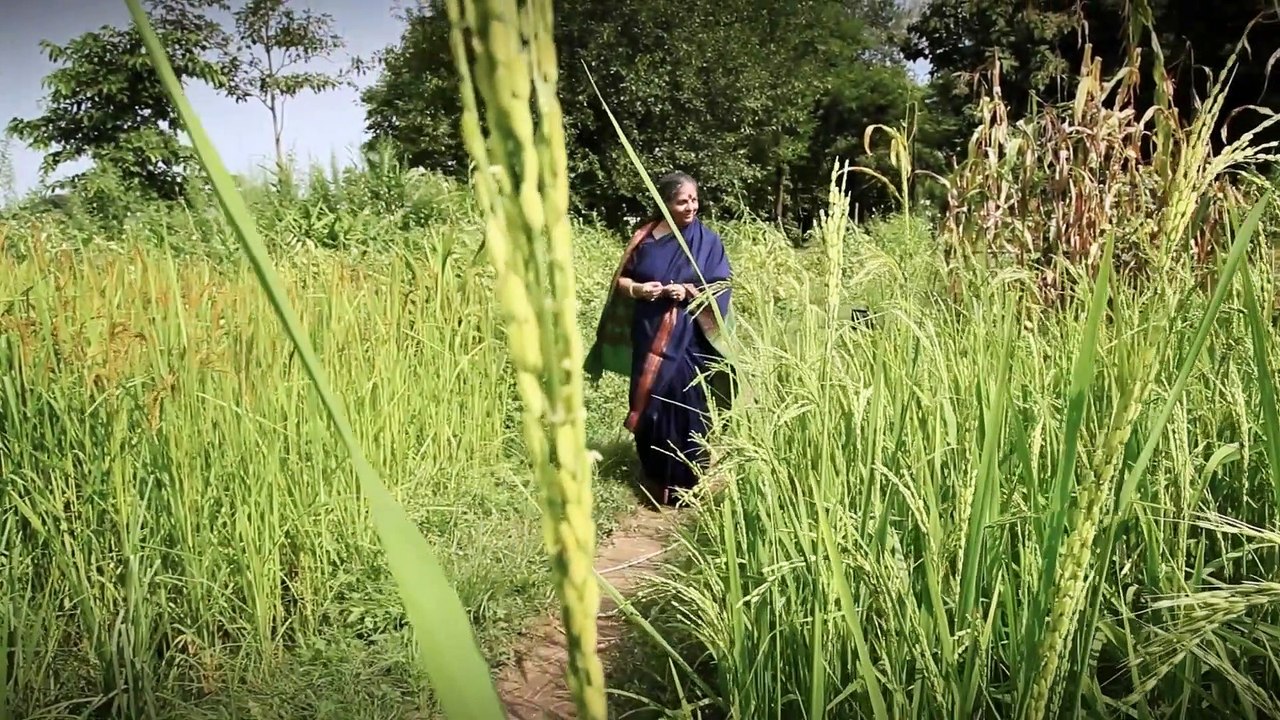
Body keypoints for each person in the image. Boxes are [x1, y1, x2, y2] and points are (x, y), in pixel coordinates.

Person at [585, 172, 735, 506]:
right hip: (648, 331)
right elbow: (622, 281)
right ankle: (654, 480)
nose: (691, 207)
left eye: (694, 200)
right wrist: (640, 289)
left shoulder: (707, 241)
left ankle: (686, 484)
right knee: (651, 404)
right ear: (665, 204)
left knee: (687, 406)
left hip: (689, 337)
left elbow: (721, 285)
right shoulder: (645, 238)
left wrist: (687, 291)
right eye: (682, 201)